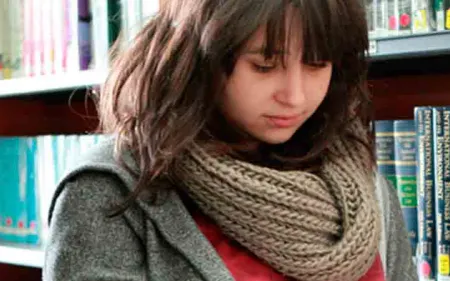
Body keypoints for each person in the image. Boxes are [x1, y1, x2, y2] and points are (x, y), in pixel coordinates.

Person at [43, 1, 417, 281]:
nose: (295, 96)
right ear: (199, 60)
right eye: (264, 66)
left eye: (317, 65)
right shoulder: (109, 191)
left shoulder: (364, 186)